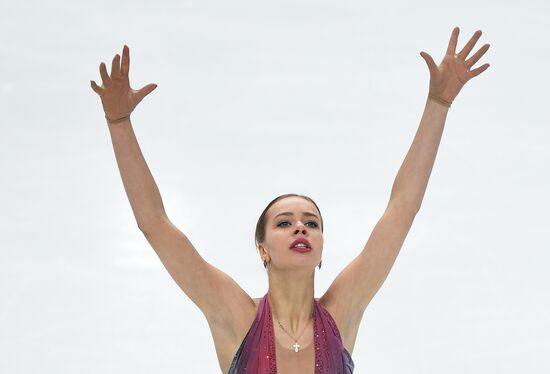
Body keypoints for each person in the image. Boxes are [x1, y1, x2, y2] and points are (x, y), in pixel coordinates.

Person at [90, 26, 490, 373]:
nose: (301, 226)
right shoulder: (237, 317)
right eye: (284, 222)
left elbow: (402, 207)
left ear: (320, 250)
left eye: (311, 222)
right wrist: (119, 123)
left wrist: (438, 105)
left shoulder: (341, 312)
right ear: (262, 250)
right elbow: (155, 224)